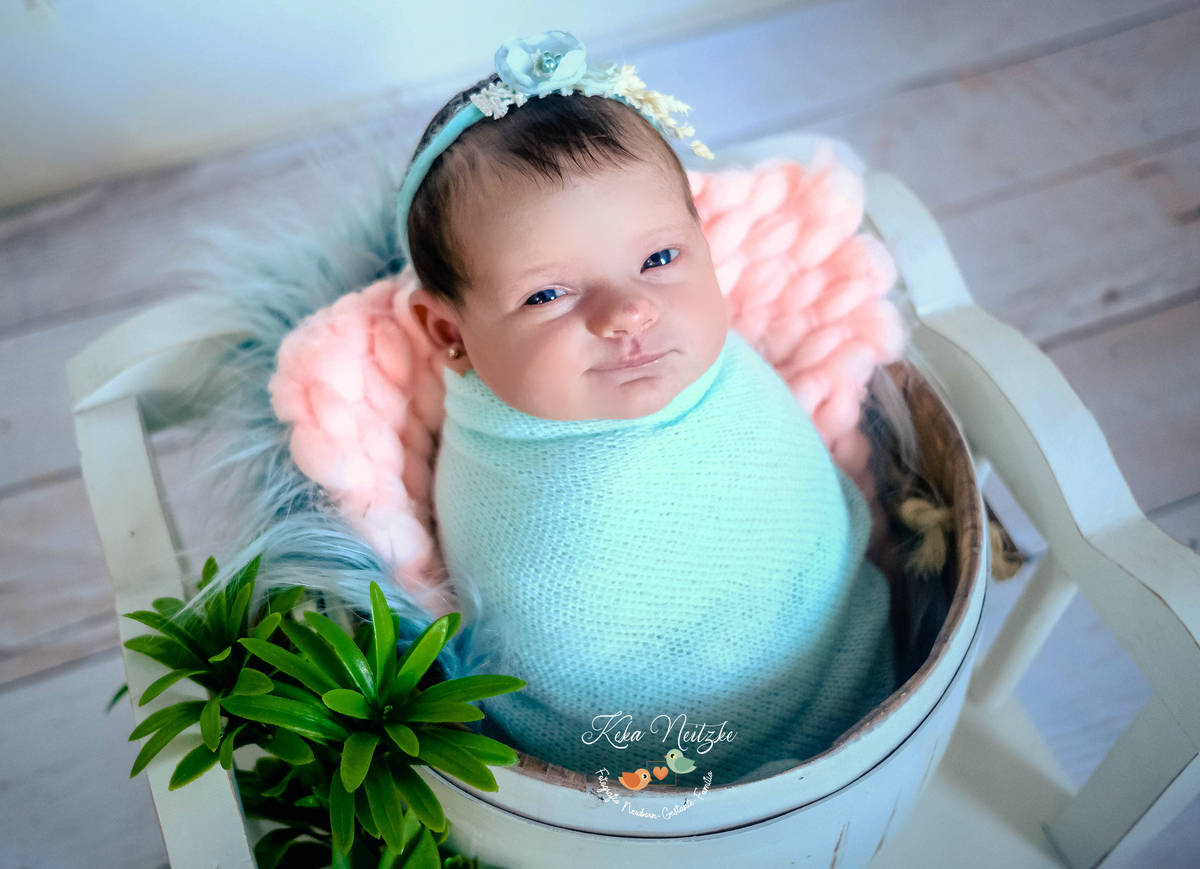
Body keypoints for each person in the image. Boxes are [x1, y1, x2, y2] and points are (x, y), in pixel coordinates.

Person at [397, 31, 895, 785]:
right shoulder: (508, 473)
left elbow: (794, 495)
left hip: (857, 694)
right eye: (547, 294)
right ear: (449, 333)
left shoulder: (715, 358)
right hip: (623, 789)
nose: (629, 312)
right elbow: (543, 631)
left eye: (659, 259)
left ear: (704, 242)